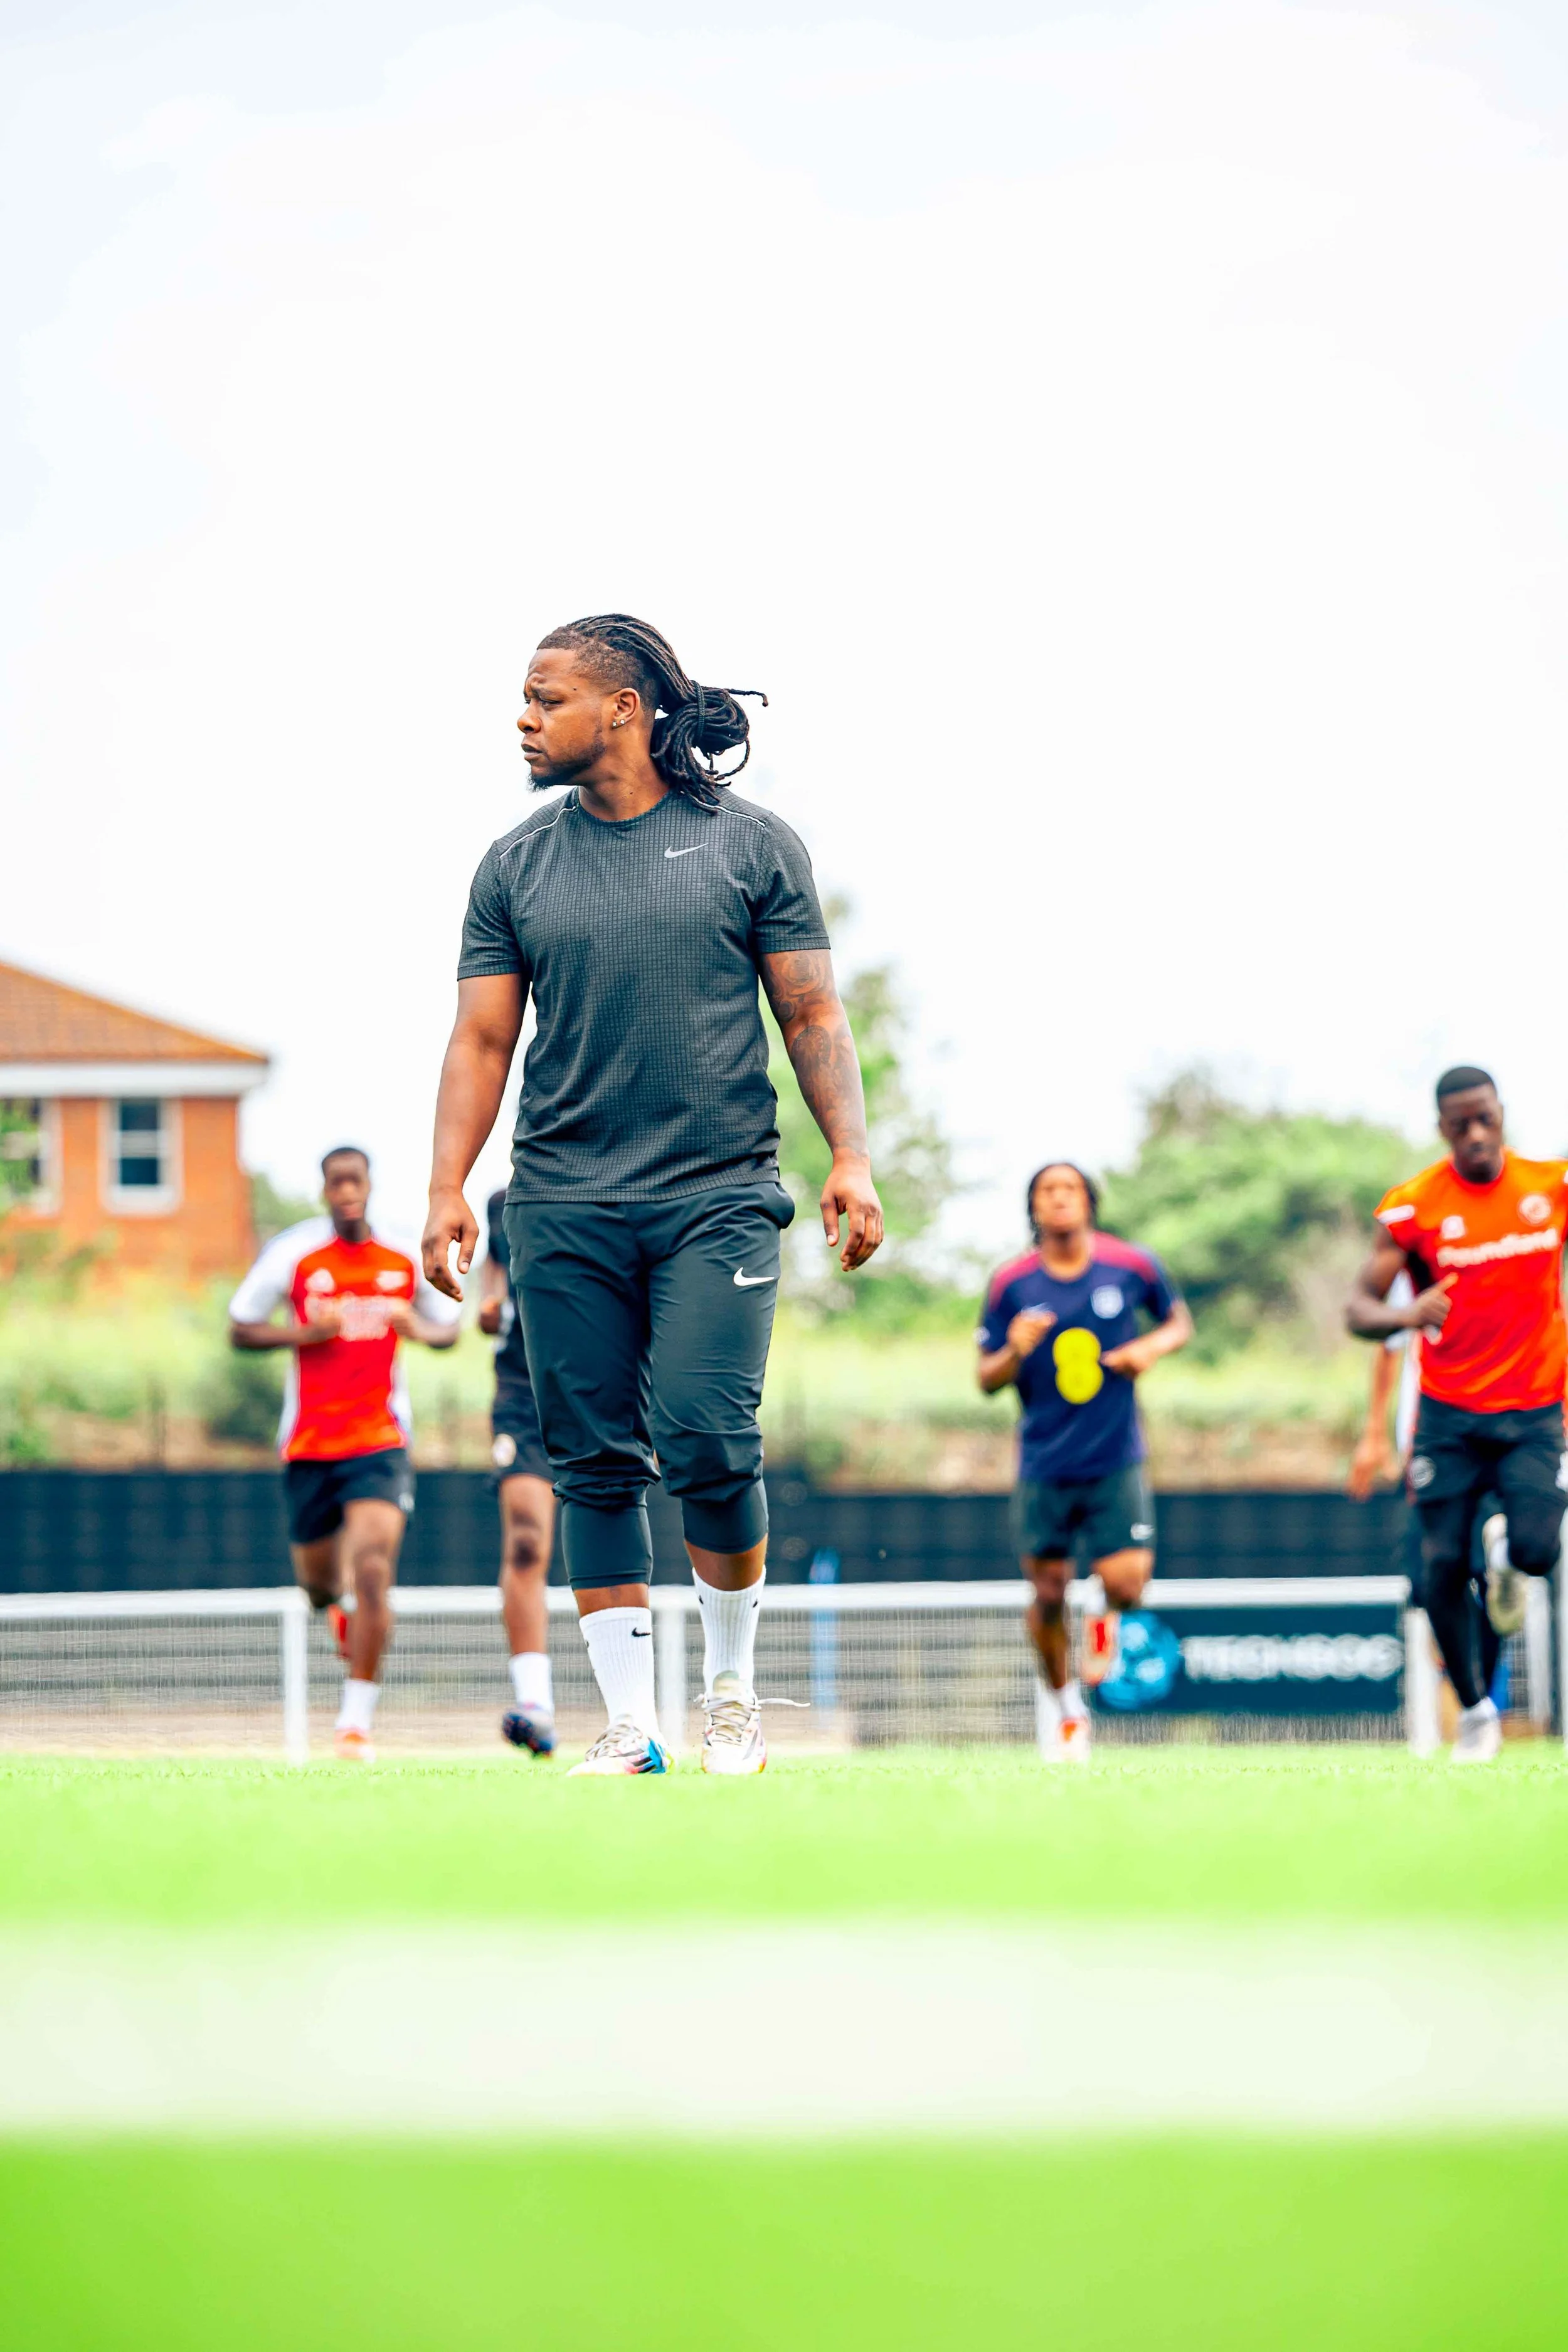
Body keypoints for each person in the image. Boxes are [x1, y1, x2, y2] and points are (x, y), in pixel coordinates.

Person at [422, 613, 882, 1776]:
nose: (523, 719)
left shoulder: (752, 845)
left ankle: (732, 1694)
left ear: (623, 709)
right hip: (563, 1202)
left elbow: (813, 1016)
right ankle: (633, 1727)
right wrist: (447, 1190)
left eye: (546, 697)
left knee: (709, 1437)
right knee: (590, 1464)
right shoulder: (516, 865)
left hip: (716, 1196)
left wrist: (852, 1159)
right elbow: (481, 1041)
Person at [1345, 1066, 1567, 1764]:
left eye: (1484, 1118)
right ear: (1441, 1128)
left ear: (1501, 1114)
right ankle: (1476, 1712)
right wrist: (1405, 1313)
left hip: (1534, 1408)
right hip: (1448, 1416)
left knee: (1535, 1551)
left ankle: (1505, 1561)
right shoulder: (1412, 1209)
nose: (1474, 1134)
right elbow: (1358, 1308)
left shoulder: (1550, 1188)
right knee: (1437, 1570)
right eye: (1458, 1124)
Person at [229, 1145, 460, 1760]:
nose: (347, 1192)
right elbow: (240, 1325)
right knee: (318, 1584)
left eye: (355, 1181)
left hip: (380, 1440)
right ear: (325, 1189)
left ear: (370, 1186)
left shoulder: (402, 1255)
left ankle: (354, 1724)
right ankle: (333, 1614)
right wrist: (301, 1334)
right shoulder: (295, 1255)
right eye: (336, 1183)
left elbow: (449, 1328)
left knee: (375, 1573)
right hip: (309, 1442)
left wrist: (420, 1329)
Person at [977, 1163, 1192, 1759]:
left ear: (1089, 1202)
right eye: (1048, 1191)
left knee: (1127, 1582)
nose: (1060, 1200)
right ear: (1034, 1208)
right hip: (1044, 1462)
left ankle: (1103, 1613)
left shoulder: (1131, 1265)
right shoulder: (1011, 1284)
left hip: (1116, 1456)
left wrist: (1148, 1347)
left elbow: (1179, 1322)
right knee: (1047, 1593)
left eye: (1070, 1189)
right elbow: (985, 1378)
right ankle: (1065, 1707)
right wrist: (1014, 1351)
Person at [480, 1186, 557, 1756]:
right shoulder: (501, 1205)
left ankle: (631, 1708)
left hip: (600, 1386)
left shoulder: (612, 1184)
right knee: (528, 1541)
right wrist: (489, 1305)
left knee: (610, 1525)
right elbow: (494, 1284)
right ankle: (536, 1704)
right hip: (520, 1396)